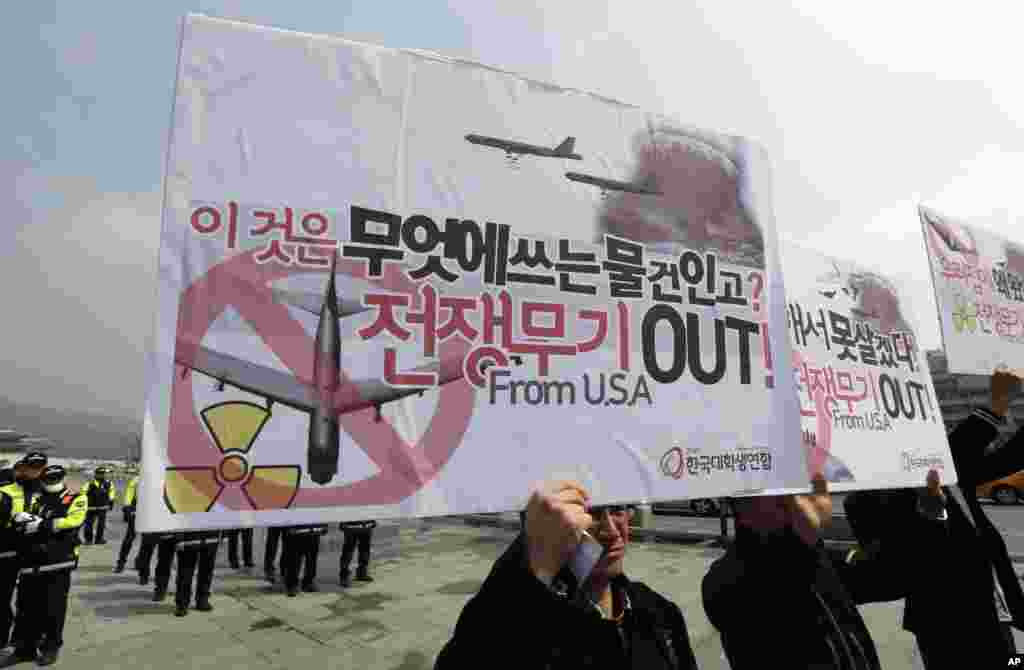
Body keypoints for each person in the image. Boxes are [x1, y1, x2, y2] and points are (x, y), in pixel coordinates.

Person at [841, 368, 1024, 669]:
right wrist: (929, 518)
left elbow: (1006, 457)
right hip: (947, 629)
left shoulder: (951, 472)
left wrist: (999, 403)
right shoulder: (867, 499)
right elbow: (889, 575)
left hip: (996, 612)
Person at [435, 481, 699, 669]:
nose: (611, 531)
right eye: (590, 512)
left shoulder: (660, 614)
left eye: (618, 508)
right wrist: (535, 570)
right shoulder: (518, 623)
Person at [703, 475, 882, 670]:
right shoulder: (728, 582)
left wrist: (869, 501)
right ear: (743, 508)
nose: (794, 502)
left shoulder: (812, 556)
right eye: (780, 496)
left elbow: (882, 576)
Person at [2, 465, 86, 666]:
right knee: (26, 609)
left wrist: (42, 524)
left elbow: (74, 521)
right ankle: (24, 649)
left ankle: (51, 647)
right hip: (31, 562)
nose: (49, 484)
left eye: (53, 480)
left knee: (53, 610)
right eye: (46, 480)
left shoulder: (75, 496)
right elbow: (28, 521)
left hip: (57, 563)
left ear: (62, 478)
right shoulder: (38, 497)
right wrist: (20, 520)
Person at [0, 454, 46, 655]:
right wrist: (13, 525)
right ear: (22, 468)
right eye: (30, 467)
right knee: (1, 600)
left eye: (38, 468)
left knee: (31, 602)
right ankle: (1, 640)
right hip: (7, 554)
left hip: (35, 555)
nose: (33, 472)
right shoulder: (4, 492)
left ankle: (26, 643)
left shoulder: (49, 492)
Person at [172, 529, 221, 617]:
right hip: (188, 536)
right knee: (185, 571)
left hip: (211, 535)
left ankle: (202, 600)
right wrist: (178, 538)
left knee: (207, 570)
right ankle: (182, 604)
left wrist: (223, 534)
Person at [280, 524, 328, 597]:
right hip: (296, 526)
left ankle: (308, 582)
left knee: (312, 557)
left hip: (314, 527)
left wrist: (324, 525)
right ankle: (291, 585)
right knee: (294, 558)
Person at [81, 466, 117, 544]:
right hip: (91, 507)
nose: (102, 475)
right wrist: (83, 504)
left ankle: (99, 539)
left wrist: (111, 502)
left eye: (103, 474)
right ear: (96, 474)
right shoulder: (90, 483)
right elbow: (83, 492)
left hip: (103, 507)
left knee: (101, 525)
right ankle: (88, 540)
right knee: (89, 524)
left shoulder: (109, 483)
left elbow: (112, 492)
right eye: (100, 474)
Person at [339, 520, 377, 587]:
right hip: (350, 525)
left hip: (366, 524)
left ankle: (361, 573)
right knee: (348, 551)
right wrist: (343, 523)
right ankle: (344, 576)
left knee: (365, 549)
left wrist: (372, 521)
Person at [114, 473, 139, 573]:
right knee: (129, 538)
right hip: (136, 510)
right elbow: (129, 494)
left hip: (152, 513)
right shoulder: (137, 479)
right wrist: (127, 507)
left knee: (148, 542)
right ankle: (121, 563)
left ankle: (141, 562)